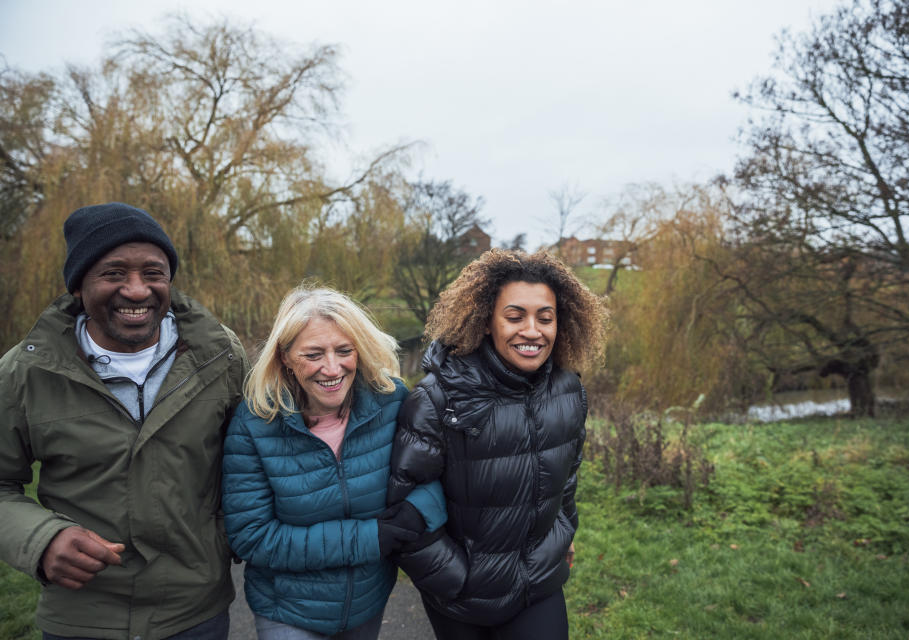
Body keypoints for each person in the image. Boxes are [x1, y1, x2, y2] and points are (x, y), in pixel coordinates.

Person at [0, 202, 249, 639]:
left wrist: (223, 537)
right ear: (78, 286)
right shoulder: (24, 373)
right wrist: (40, 539)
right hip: (81, 618)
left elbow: (251, 460)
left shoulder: (221, 357)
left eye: (153, 273)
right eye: (113, 273)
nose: (136, 291)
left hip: (197, 614)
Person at [388, 249, 608, 640]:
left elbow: (567, 478)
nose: (532, 331)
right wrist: (455, 577)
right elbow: (408, 506)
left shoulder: (568, 390)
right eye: (514, 316)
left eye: (545, 317)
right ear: (487, 322)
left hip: (538, 585)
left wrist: (562, 533)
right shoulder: (438, 398)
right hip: (462, 599)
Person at [221, 286, 447, 639]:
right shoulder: (255, 424)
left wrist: (418, 512)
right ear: (285, 357)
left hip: (367, 602)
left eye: (344, 351)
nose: (332, 368)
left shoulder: (392, 401)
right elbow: (252, 536)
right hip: (288, 610)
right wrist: (370, 538)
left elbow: (433, 473)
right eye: (313, 354)